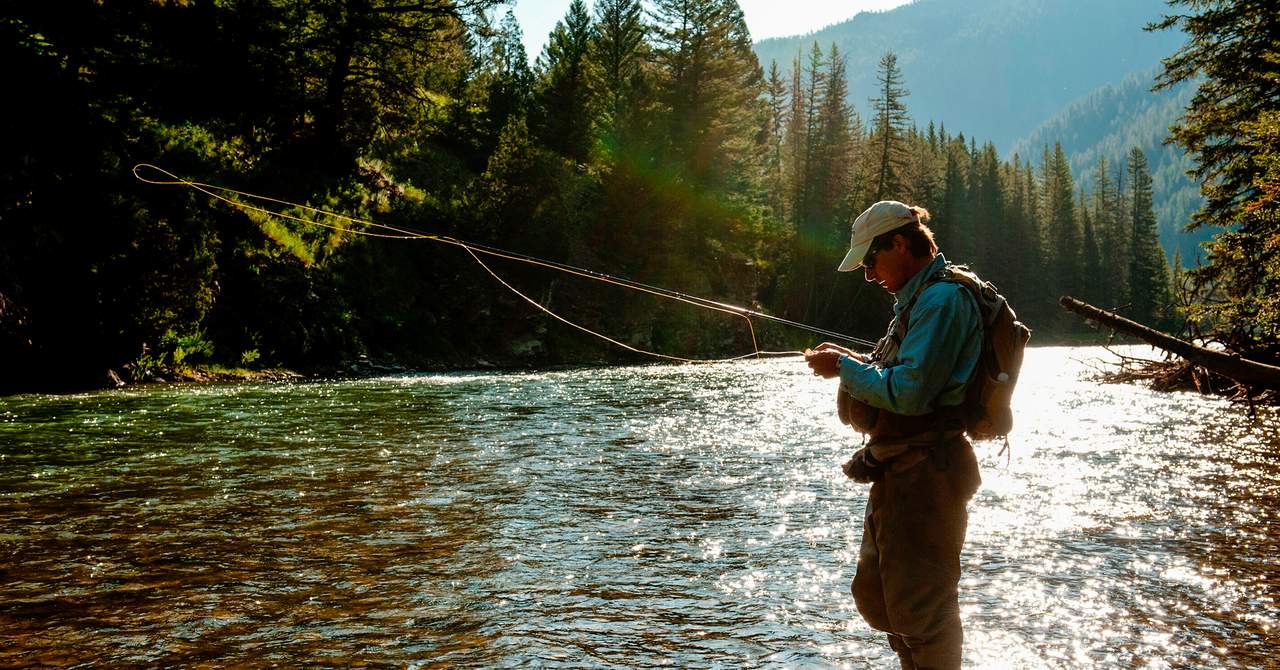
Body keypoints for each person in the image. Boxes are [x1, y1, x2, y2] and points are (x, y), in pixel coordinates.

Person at [805, 200, 983, 670]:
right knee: (880, 599)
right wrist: (850, 361)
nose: (868, 275)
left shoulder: (942, 301)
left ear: (900, 244)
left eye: (871, 261)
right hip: (898, 470)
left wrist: (843, 368)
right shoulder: (917, 299)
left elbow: (909, 393)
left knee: (923, 611)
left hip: (928, 475)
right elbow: (898, 373)